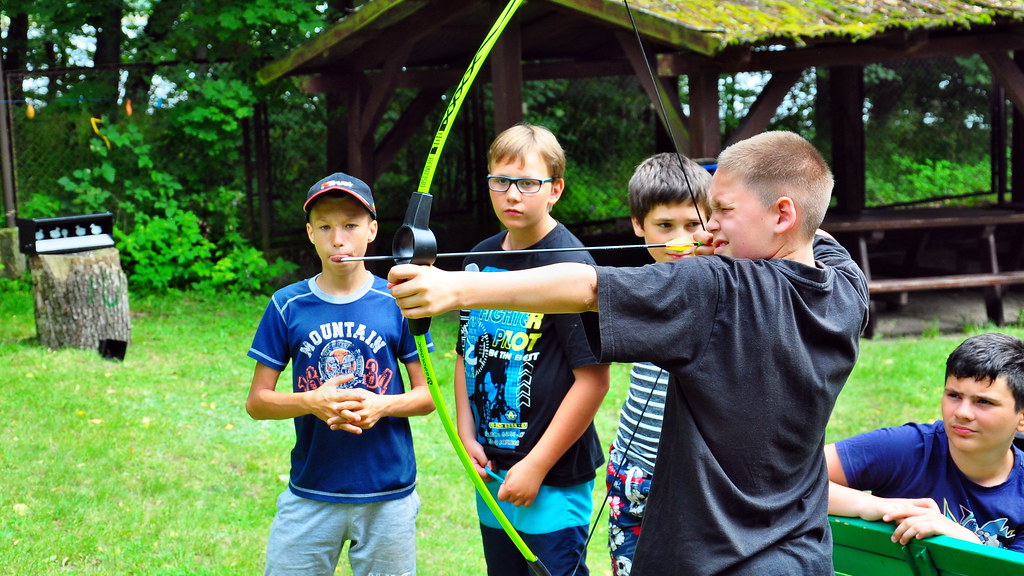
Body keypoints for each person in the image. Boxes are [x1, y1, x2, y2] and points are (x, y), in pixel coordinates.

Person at [388, 130, 870, 575]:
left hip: (713, 560)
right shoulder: (847, 290)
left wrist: (456, 288)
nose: (709, 225)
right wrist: (734, 233)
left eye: (722, 210)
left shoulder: (718, 287)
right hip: (801, 555)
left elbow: (586, 286)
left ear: (782, 215)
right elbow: (817, 235)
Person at [246, 172, 435, 576]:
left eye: (350, 225)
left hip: (388, 494)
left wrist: (382, 406)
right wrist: (309, 402)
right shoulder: (286, 305)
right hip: (312, 490)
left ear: (372, 230)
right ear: (310, 233)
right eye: (325, 227)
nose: (338, 239)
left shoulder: (399, 300)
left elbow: (428, 396)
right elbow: (257, 402)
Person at [455, 123, 610, 576]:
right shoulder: (479, 260)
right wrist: (467, 434)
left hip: (552, 476)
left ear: (555, 189)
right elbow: (467, 354)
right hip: (493, 468)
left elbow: (594, 381)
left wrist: (536, 466)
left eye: (527, 183)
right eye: (500, 181)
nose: (511, 195)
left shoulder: (571, 266)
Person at [605, 152, 711, 576]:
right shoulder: (641, 285)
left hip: (693, 480)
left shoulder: (724, 282)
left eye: (693, 224)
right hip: (634, 470)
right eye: (664, 226)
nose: (680, 240)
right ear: (638, 225)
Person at [826, 332, 1024, 552]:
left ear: (1021, 418)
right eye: (954, 395)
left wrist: (962, 538)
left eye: (984, 402)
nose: (962, 412)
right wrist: (872, 505)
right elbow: (799, 474)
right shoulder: (907, 447)